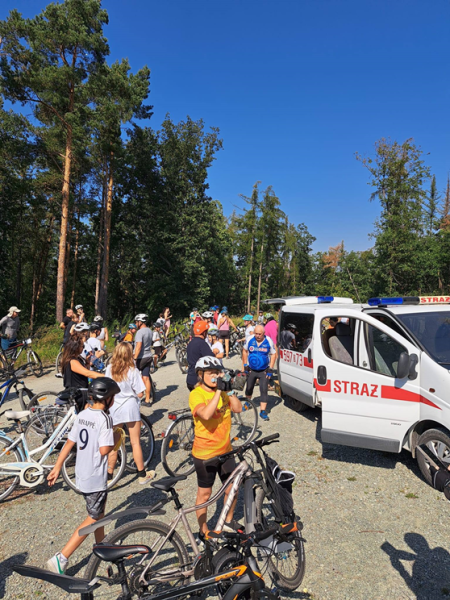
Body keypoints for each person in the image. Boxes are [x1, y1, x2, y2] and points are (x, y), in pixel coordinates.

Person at [46, 377, 121, 574]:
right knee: (93, 517)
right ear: (107, 399)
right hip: (96, 476)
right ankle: (61, 557)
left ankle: (102, 546)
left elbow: (69, 442)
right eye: (113, 397)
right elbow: (105, 450)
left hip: (82, 473)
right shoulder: (105, 419)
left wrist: (57, 466)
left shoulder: (82, 415)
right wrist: (117, 436)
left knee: (99, 512)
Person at [189, 356, 243, 539]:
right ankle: (203, 530)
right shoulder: (196, 394)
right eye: (212, 373)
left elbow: (238, 409)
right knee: (205, 494)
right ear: (200, 374)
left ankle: (227, 521)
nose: (216, 376)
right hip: (205, 454)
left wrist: (230, 389)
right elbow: (205, 414)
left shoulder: (223, 392)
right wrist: (219, 392)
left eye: (217, 372)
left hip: (226, 450)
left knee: (233, 488)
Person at [105, 343, 155, 484]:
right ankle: (141, 474)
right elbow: (140, 392)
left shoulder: (109, 369)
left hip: (115, 406)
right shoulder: (133, 370)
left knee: (115, 443)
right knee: (135, 442)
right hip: (130, 407)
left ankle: (109, 475)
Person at [242, 324, 277, 422]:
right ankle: (247, 403)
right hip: (251, 369)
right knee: (249, 388)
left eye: (259, 334)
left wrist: (271, 369)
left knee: (264, 390)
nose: (257, 336)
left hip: (263, 370)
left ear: (263, 334)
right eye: (256, 333)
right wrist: (245, 365)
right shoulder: (249, 339)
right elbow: (244, 351)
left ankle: (263, 411)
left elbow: (274, 354)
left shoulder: (268, 340)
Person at [186, 320, 214, 391]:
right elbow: (211, 359)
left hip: (190, 378)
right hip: (198, 379)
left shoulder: (190, 343)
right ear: (204, 332)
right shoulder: (202, 344)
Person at [133, 314, 154, 407]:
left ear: (140, 322)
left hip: (141, 357)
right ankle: (147, 399)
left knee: (135, 377)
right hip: (149, 355)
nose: (135, 324)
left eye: (136, 322)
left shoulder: (139, 332)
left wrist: (134, 358)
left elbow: (138, 346)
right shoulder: (150, 330)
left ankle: (136, 398)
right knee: (146, 377)